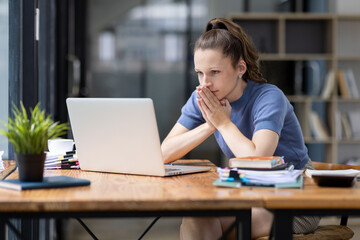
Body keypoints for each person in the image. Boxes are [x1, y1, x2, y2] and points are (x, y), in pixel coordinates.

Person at [160, 17, 320, 239]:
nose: (205, 82)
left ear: (240, 68)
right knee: (196, 216)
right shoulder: (204, 96)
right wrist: (210, 125)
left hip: (295, 197)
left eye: (215, 72)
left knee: (230, 226)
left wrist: (223, 123)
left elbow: (258, 160)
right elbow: (163, 153)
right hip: (248, 191)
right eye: (199, 72)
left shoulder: (269, 97)